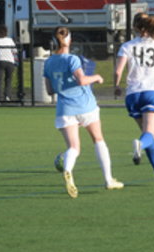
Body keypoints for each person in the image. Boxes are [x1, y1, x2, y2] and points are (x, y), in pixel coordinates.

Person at [43, 26, 124, 198]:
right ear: (69, 40)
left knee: (74, 148)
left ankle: (67, 170)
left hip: (65, 109)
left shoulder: (48, 62)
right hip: (85, 105)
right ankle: (108, 180)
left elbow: (50, 90)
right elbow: (81, 80)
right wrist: (97, 77)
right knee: (98, 139)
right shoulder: (72, 59)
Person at [114, 14, 154, 184]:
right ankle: (140, 145)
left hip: (133, 94)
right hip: (152, 91)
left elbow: (118, 71)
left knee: (148, 134)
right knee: (148, 135)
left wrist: (116, 86)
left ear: (135, 27)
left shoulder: (127, 46)